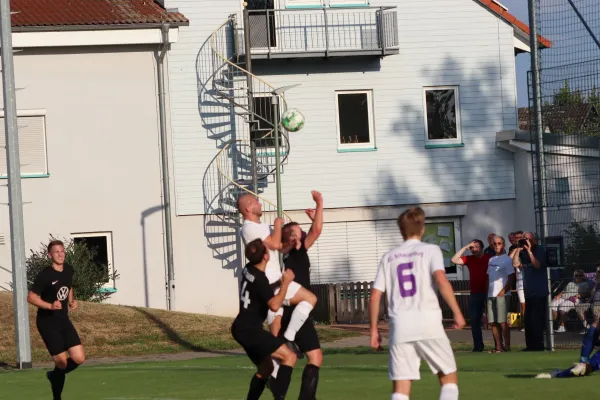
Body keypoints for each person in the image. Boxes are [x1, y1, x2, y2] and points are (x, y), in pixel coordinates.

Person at [369, 206, 466, 400]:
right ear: (422, 228)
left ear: (401, 230)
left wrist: (374, 330)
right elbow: (440, 279)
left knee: (401, 388)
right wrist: (457, 312)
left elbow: (375, 295)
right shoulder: (430, 250)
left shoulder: (389, 257)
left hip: (400, 326)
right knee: (448, 380)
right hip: (428, 321)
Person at [237, 193, 317, 355]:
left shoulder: (261, 226)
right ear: (248, 208)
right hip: (269, 280)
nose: (260, 204)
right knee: (310, 298)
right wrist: (277, 224)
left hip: (275, 279)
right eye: (256, 202)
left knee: (276, 316)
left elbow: (279, 247)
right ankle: (289, 337)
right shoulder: (248, 228)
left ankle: (278, 350)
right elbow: (273, 242)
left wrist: (291, 243)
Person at [231, 239, 298, 399]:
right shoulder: (260, 278)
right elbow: (274, 305)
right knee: (289, 356)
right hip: (250, 330)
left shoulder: (248, 269)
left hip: (240, 328)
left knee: (266, 368)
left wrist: (278, 283)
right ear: (266, 257)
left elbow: (263, 289)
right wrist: (286, 284)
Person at [274, 190, 324, 400]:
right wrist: (320, 203)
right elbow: (317, 230)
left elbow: (315, 229)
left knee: (315, 357)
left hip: (296, 310)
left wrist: (313, 220)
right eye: (298, 231)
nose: (303, 232)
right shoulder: (295, 249)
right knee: (314, 357)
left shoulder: (293, 251)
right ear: (293, 237)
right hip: (297, 310)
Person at [27, 240, 85, 400]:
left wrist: (72, 300)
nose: (60, 254)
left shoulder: (68, 270)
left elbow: (68, 286)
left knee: (79, 358)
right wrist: (50, 306)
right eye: (56, 252)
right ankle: (57, 397)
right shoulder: (45, 275)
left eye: (62, 251)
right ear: (49, 255)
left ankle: (54, 376)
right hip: (47, 323)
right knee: (61, 363)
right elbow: (31, 297)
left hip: (63, 320)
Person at [451, 239, 491, 352]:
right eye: (472, 248)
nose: (474, 250)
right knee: (475, 320)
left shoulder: (489, 258)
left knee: (494, 321)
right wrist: (465, 247)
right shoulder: (469, 259)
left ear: (482, 248)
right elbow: (454, 260)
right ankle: (478, 346)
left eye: (476, 247)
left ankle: (500, 346)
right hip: (476, 292)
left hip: (490, 291)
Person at [511, 231, 548, 351]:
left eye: (527, 239)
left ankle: (538, 345)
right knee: (528, 320)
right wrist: (518, 249)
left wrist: (530, 251)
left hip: (539, 290)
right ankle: (530, 345)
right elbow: (515, 263)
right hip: (529, 291)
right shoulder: (522, 251)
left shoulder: (539, 250)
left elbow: (537, 265)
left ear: (534, 240)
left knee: (536, 319)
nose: (525, 241)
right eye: (524, 239)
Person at [486, 236, 515, 353]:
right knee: (493, 322)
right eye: (495, 244)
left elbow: (512, 277)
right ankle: (498, 346)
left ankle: (507, 346)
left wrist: (503, 291)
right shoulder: (491, 260)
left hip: (502, 294)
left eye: (499, 243)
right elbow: (489, 277)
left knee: (502, 322)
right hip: (490, 294)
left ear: (503, 245)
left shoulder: (507, 259)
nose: (497, 245)